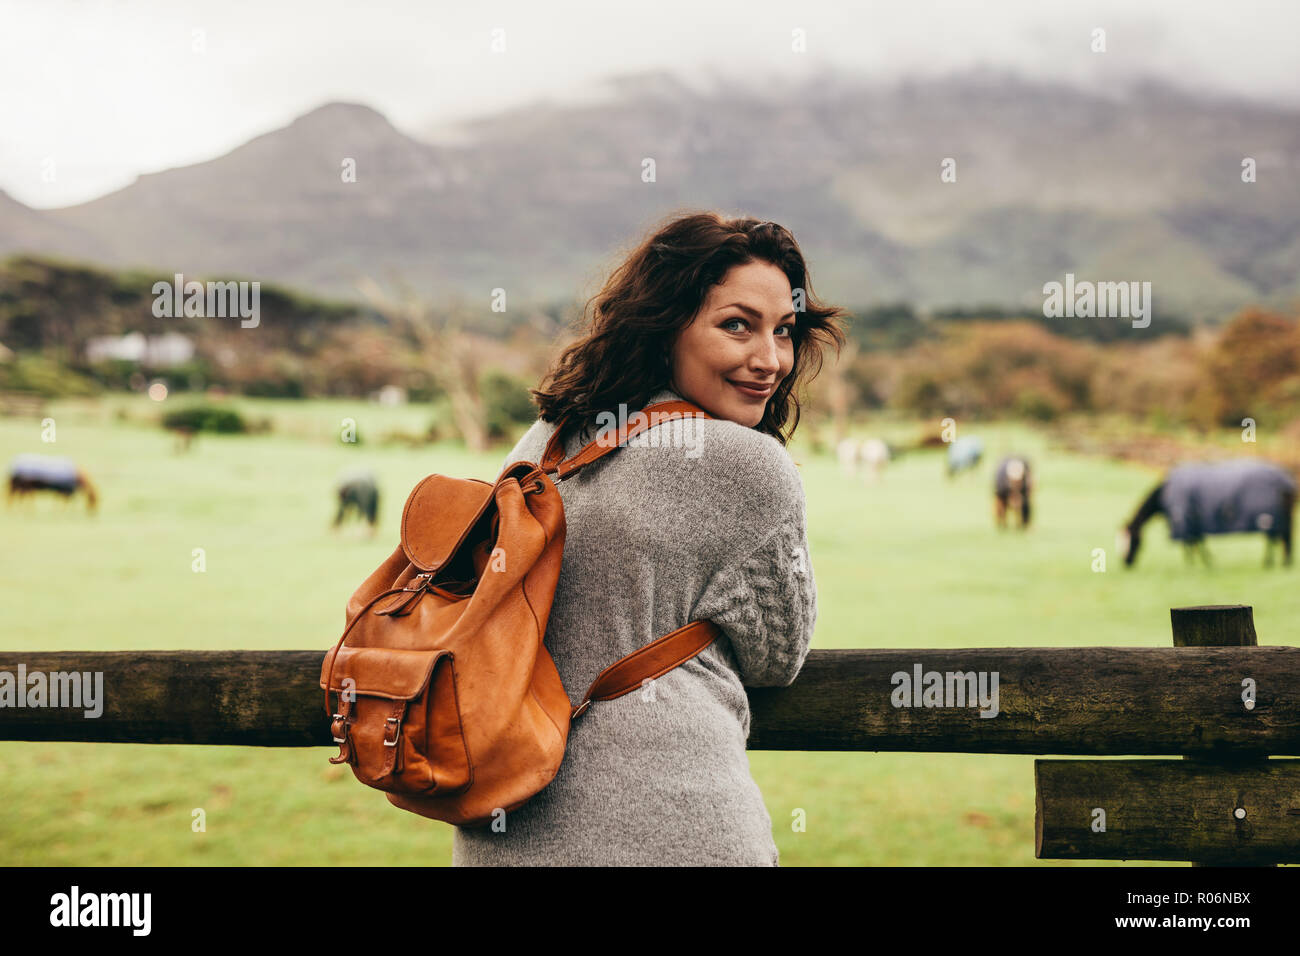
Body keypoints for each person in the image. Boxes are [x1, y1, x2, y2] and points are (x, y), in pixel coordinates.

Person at [452, 212, 847, 866]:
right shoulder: (746, 463)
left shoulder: (545, 441)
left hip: (504, 829)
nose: (770, 359)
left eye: (785, 331)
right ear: (667, 324)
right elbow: (779, 659)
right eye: (736, 325)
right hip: (676, 827)